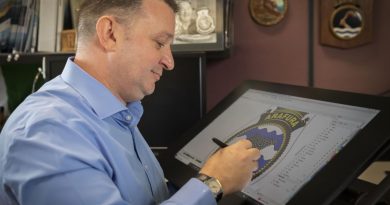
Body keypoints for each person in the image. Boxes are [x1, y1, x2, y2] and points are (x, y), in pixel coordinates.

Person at [0, 0, 261, 204]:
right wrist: (212, 183)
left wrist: (207, 179)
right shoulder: (48, 131)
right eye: (160, 43)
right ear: (110, 33)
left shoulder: (118, 114)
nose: (169, 62)